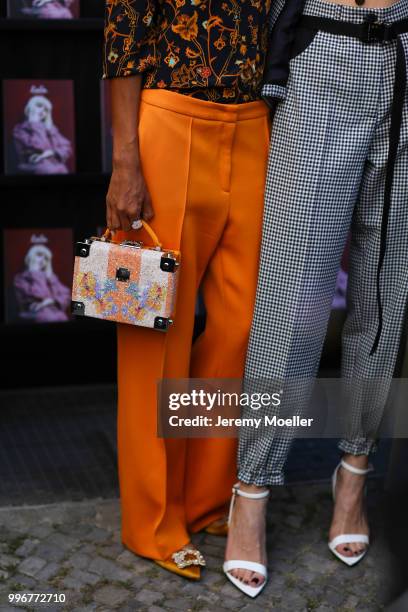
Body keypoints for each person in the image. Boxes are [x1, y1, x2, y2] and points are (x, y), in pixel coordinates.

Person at [224, 0, 408, 598]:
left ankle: (354, 473)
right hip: (323, 54)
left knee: (388, 297)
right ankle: (250, 491)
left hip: (406, 51)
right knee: (292, 307)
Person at [103, 0, 272, 580]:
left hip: (254, 126)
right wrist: (126, 160)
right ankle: (153, 522)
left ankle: (205, 497)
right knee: (156, 332)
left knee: (244, 325)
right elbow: (123, 37)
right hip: (169, 123)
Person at [13, 94, 72, 175]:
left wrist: (51, 152)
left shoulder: (51, 128)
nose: (42, 111)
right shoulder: (20, 130)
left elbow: (66, 147)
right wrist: (34, 123)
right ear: (30, 108)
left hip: (54, 166)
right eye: (39, 106)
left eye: (46, 110)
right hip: (33, 167)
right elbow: (39, 146)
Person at [14, 243, 71, 323]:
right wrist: (35, 273)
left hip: (55, 313)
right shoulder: (21, 278)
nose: (42, 261)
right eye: (39, 255)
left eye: (46, 258)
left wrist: (50, 301)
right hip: (36, 314)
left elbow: (66, 295)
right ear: (31, 257)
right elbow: (39, 294)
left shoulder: (51, 277)